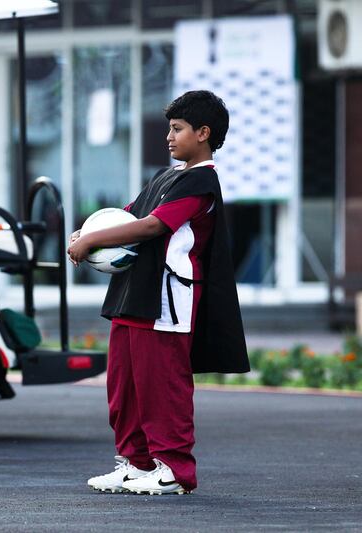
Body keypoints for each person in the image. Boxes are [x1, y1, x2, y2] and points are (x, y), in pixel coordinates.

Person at [67, 90, 249, 495]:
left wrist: (88, 241)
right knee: (124, 386)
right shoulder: (167, 177)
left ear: (204, 133)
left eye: (178, 129)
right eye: (169, 128)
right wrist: (88, 232)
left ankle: (176, 470)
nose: (169, 136)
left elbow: (152, 226)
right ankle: (135, 463)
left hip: (168, 299)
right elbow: (129, 215)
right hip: (133, 293)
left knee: (162, 385)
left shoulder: (202, 181)